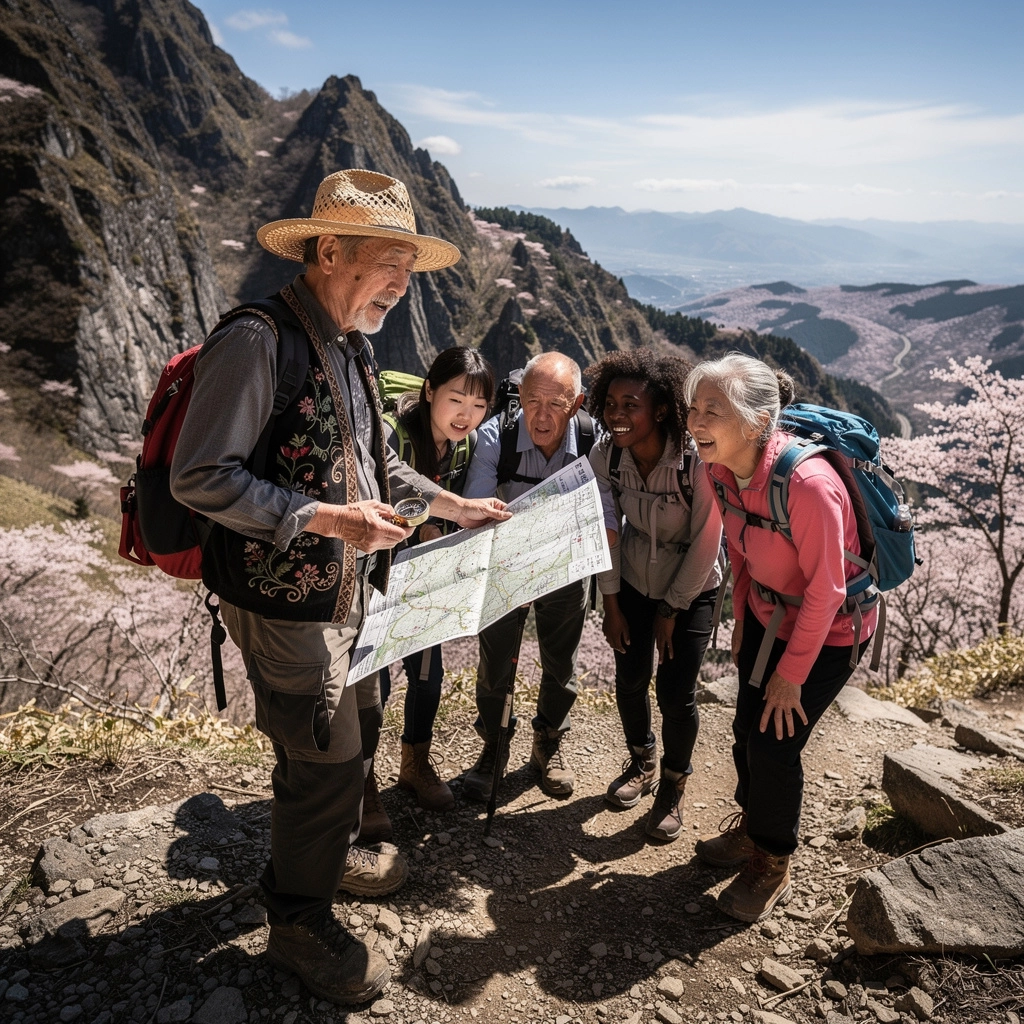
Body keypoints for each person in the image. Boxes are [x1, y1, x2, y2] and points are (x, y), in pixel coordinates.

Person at [170, 169, 509, 1005]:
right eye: (388, 263)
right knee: (326, 760)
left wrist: (448, 503)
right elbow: (199, 475)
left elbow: (378, 464)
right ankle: (297, 921)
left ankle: (313, 862)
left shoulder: (350, 344)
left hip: (342, 591)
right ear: (329, 251)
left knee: (350, 724)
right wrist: (326, 520)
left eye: (409, 268)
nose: (401, 284)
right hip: (283, 597)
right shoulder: (258, 340)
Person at [684, 353, 875, 923]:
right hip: (770, 620)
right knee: (746, 728)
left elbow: (827, 591)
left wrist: (790, 675)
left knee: (773, 742)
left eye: (711, 411)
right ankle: (753, 828)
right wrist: (744, 618)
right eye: (693, 408)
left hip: (831, 631)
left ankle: (772, 862)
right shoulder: (720, 469)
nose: (695, 422)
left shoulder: (809, 486)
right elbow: (740, 551)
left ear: (757, 422)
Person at [586, 349, 723, 841]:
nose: (617, 416)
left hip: (691, 586)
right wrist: (612, 603)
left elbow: (708, 539)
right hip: (632, 583)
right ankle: (642, 761)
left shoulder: (694, 462)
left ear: (660, 409)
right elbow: (605, 532)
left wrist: (672, 608)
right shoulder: (607, 456)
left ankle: (672, 785)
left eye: (631, 405)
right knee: (629, 679)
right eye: (610, 404)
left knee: (675, 692)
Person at [460, 351, 590, 801]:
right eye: (533, 400)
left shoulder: (594, 441)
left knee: (561, 662)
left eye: (557, 404)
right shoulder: (496, 437)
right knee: (495, 662)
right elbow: (476, 509)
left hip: (567, 566)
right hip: (505, 562)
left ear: (577, 405)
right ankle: (493, 747)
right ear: (518, 396)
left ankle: (548, 745)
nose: (542, 414)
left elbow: (606, 508)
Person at [377, 347, 495, 814]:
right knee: (375, 684)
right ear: (428, 391)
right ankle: (362, 780)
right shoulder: (390, 433)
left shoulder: (464, 447)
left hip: (426, 579)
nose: (467, 415)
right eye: (456, 400)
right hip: (377, 578)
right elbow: (380, 473)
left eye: (479, 406)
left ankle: (415, 764)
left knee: (428, 677)